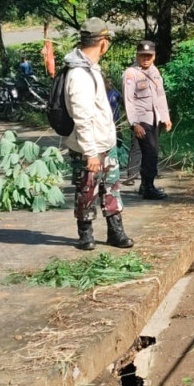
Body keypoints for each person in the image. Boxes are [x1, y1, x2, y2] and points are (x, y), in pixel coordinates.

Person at [64, 17, 134, 251]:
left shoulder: (90, 68)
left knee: (111, 188)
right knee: (87, 190)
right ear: (103, 43)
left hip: (106, 144)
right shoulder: (78, 74)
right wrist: (91, 153)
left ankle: (116, 232)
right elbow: (82, 118)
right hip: (89, 148)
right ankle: (85, 235)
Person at [122, 40, 172, 199]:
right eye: (142, 55)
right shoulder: (131, 74)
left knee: (153, 152)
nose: (145, 58)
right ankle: (148, 187)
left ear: (154, 56)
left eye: (149, 55)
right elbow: (128, 100)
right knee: (150, 152)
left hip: (154, 119)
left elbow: (161, 95)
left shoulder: (155, 71)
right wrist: (134, 123)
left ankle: (145, 185)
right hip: (141, 119)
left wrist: (165, 117)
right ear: (137, 55)